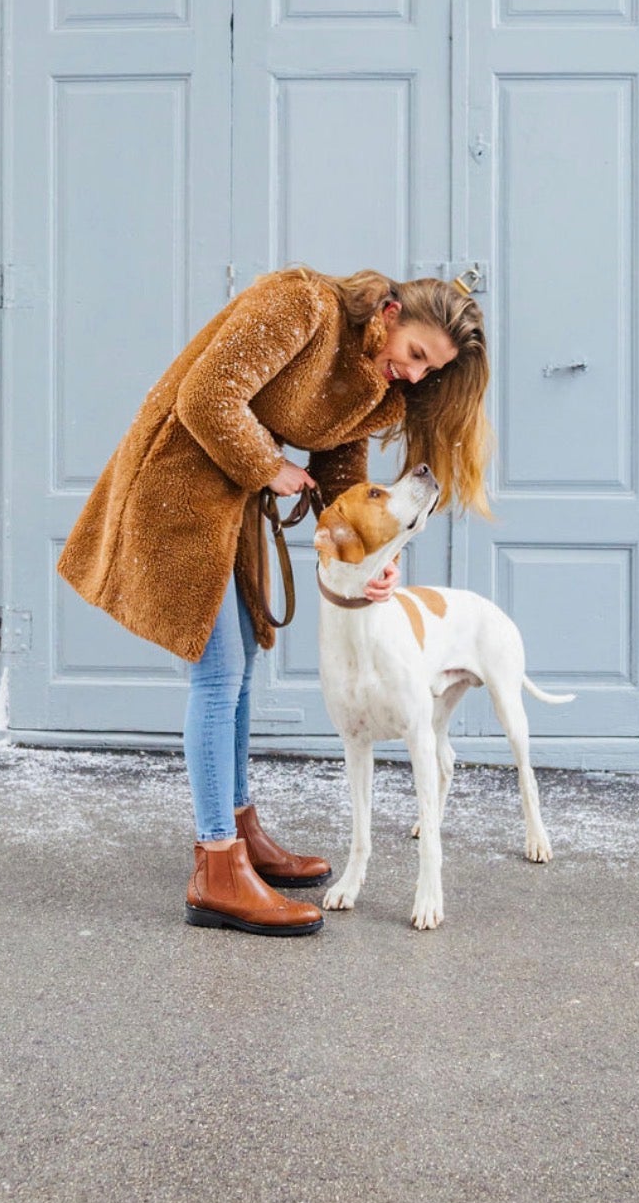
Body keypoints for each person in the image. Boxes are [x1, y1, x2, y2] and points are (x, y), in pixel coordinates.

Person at [57, 266, 492, 938]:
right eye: (414, 353)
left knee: (242, 670)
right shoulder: (303, 303)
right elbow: (207, 396)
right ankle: (216, 868)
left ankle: (239, 831)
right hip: (178, 482)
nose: (413, 374)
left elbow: (340, 482)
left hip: (231, 502)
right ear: (391, 309)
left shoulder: (373, 385)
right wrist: (271, 467)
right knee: (217, 671)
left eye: (428, 369)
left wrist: (375, 560)